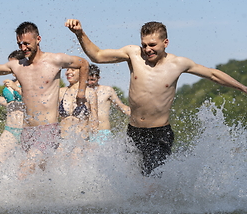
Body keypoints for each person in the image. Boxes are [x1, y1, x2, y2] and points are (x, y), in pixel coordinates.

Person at [65, 19, 247, 177]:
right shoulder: (133, 54)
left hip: (160, 134)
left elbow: (213, 74)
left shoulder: (178, 63)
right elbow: (97, 55)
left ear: (165, 42)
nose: (147, 49)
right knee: (131, 180)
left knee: (150, 180)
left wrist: (242, 87)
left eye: (152, 45)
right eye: (144, 44)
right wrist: (80, 33)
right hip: (134, 132)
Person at [0, 21, 89, 174]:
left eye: (27, 44)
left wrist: (80, 92)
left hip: (48, 129)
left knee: (24, 169)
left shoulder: (55, 60)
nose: (23, 48)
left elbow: (84, 64)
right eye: (19, 44)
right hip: (27, 131)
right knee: (40, 175)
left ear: (38, 39)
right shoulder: (18, 65)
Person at [87, 64, 131, 144]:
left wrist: (138, 116)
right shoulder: (82, 92)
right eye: (88, 80)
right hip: (86, 133)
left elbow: (121, 107)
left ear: (98, 78)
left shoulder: (107, 90)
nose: (90, 82)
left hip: (103, 133)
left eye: (92, 80)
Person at [59, 68, 98, 141]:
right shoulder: (60, 92)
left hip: (81, 141)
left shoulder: (90, 92)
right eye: (67, 70)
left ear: (82, 73)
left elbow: (95, 119)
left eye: (72, 70)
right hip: (62, 140)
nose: (68, 72)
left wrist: (94, 141)